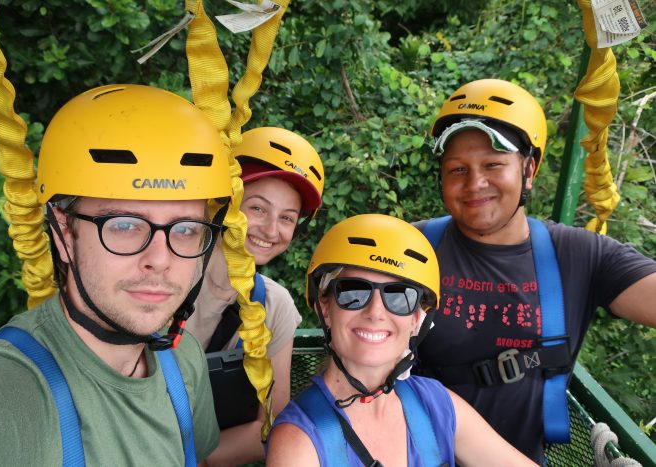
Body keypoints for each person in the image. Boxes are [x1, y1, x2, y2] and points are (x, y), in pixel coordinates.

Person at [0, 84, 234, 465]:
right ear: (62, 232)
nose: (160, 259)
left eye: (185, 229)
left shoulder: (183, 359)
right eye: (123, 225)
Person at [411, 78, 656, 463]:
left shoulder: (579, 255)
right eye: (458, 169)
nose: (475, 184)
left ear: (530, 168)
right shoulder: (412, 248)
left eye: (493, 164)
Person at [266, 214, 537, 466]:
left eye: (399, 297)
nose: (375, 312)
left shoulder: (435, 405)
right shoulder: (299, 441)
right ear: (325, 309)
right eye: (353, 292)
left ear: (418, 319)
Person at [187, 127, 325, 466]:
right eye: (258, 209)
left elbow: (269, 422)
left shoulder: (274, 306)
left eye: (287, 218)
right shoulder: (163, 279)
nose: (270, 230)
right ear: (225, 203)